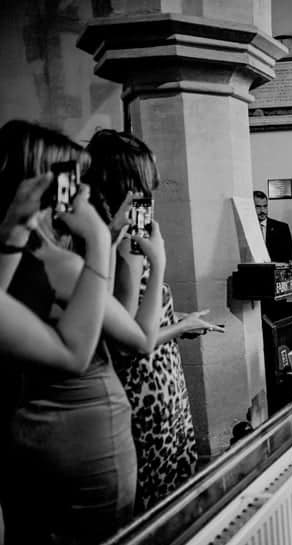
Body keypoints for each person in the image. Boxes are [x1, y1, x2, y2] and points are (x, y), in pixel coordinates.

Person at [0, 120, 166, 545]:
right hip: (88, 441)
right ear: (40, 185)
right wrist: (105, 243)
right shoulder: (65, 263)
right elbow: (110, 343)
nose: (82, 190)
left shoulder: (20, 258)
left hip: (24, 434)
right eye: (71, 179)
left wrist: (104, 243)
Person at [85, 129, 218, 513]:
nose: (154, 192)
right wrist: (181, 326)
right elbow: (129, 341)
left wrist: (180, 322)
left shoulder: (109, 238)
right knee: (158, 503)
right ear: (129, 185)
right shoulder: (129, 247)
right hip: (146, 391)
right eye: (148, 183)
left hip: (159, 381)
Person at [254, 190, 292, 262]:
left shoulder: (282, 228)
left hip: (275, 272)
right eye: (258, 207)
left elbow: (290, 259)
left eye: (265, 206)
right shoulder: (246, 229)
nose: (262, 210)